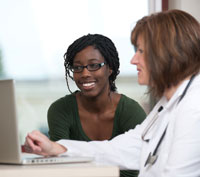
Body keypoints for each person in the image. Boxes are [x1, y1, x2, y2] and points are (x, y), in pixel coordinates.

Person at [24, 9, 200, 177]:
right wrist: (57, 148)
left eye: (141, 51)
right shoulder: (167, 105)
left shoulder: (193, 107)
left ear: (167, 53)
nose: (133, 60)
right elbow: (120, 149)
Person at [46, 34, 146, 177]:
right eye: (78, 67)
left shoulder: (131, 112)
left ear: (110, 68)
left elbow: (134, 170)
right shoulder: (60, 110)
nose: (85, 73)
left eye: (94, 65)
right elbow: (60, 167)